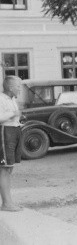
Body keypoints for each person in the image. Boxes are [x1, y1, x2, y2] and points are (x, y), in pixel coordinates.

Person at [0, 76, 23, 212]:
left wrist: (17, 118)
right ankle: (6, 204)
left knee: (9, 168)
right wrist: (14, 114)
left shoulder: (12, 99)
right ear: (10, 87)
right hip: (5, 132)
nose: (19, 89)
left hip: (14, 130)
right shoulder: (1, 99)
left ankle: (8, 202)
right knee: (4, 168)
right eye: (18, 86)